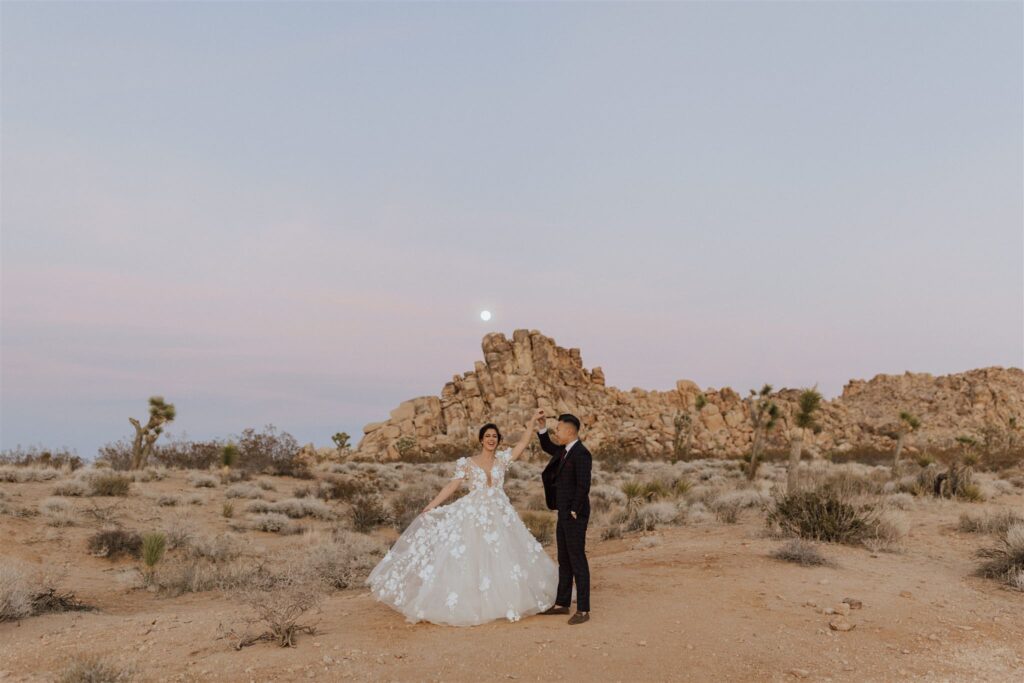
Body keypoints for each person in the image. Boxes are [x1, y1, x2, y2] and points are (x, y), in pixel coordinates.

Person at [367, 414, 557, 626]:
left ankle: (502, 600)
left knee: (502, 555)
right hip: (473, 514)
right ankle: (473, 601)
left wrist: (531, 424)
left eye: (495, 436)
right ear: (481, 440)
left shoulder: (503, 459)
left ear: (499, 440)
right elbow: (452, 485)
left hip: (500, 514)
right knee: (472, 554)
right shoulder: (467, 463)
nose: (491, 439)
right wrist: (432, 505)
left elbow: (522, 443)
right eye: (487, 436)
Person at [537, 411, 592, 625]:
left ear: (569, 431)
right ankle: (562, 603)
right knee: (564, 559)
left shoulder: (582, 454)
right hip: (563, 512)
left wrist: (574, 510)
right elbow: (547, 447)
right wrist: (541, 428)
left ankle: (584, 610)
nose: (556, 432)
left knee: (577, 559)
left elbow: (583, 484)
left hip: (574, 514)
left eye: (558, 428)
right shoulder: (564, 450)